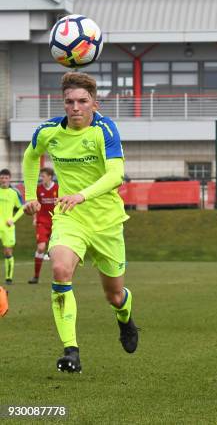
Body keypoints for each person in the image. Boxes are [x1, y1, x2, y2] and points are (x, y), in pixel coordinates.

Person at [22, 71, 137, 373]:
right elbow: (30, 156)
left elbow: (115, 175)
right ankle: (71, 350)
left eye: (82, 101)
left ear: (93, 103)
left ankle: (125, 318)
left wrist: (83, 195)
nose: (75, 107)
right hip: (70, 219)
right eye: (69, 101)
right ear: (63, 103)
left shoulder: (105, 129)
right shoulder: (48, 132)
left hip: (107, 222)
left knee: (114, 295)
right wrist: (31, 193)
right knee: (59, 269)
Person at [29, 167, 59, 284]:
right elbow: (36, 205)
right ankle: (36, 276)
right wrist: (35, 218)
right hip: (42, 222)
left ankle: (60, 279)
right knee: (41, 248)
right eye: (41, 176)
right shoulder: (39, 189)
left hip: (56, 222)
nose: (42, 178)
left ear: (50, 177)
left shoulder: (57, 188)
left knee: (57, 252)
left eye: (44, 176)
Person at [0, 169, 24, 285]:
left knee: (8, 252)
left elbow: (22, 208)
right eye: (2, 178)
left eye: (5, 178)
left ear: (9, 179)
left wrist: (13, 219)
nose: (3, 180)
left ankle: (8, 278)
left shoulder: (14, 193)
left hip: (7, 227)